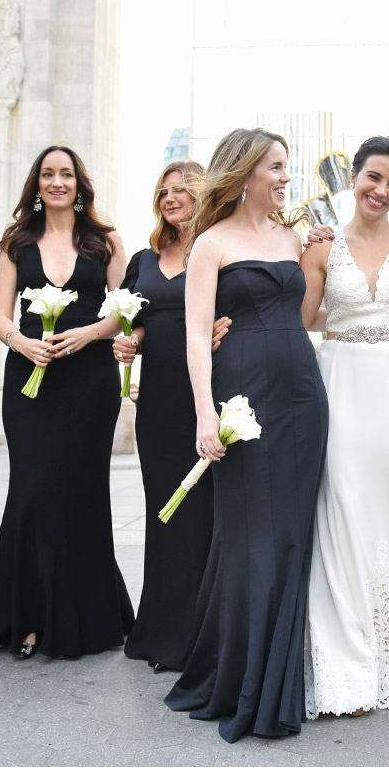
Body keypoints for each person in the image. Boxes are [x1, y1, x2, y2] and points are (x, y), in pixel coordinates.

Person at [164, 128, 328, 742]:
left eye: (287, 166)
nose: (286, 176)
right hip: (243, 395)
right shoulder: (210, 243)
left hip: (303, 395)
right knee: (253, 534)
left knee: (292, 533)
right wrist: (205, 413)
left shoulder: (295, 236)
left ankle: (285, 671)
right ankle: (248, 680)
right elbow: (194, 333)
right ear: (244, 172)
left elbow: (314, 312)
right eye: (276, 167)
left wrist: (323, 252)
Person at [0, 145, 135, 659]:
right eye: (48, 174)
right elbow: (0, 315)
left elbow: (126, 311)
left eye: (66, 174)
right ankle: (28, 615)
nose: (57, 181)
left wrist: (89, 334)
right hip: (30, 377)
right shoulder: (16, 242)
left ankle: (86, 619)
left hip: (89, 380)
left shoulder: (106, 242)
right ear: (37, 183)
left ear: (80, 183)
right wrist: (19, 341)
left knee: (83, 492)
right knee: (33, 489)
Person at [298, 136, 389, 718]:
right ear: (354, 177)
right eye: (373, 178)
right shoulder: (322, 247)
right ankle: (346, 660)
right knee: (345, 510)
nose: (381, 191)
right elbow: (301, 319)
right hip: (343, 384)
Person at [117, 161, 229, 672]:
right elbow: (138, 320)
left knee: (203, 512)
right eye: (164, 190)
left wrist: (223, 330)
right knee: (164, 512)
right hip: (157, 399)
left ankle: (199, 635)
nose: (171, 198)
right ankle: (160, 631)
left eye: (182, 190)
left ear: (203, 196)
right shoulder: (142, 258)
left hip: (203, 395)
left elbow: (237, 309)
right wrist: (128, 340)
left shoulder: (220, 249)